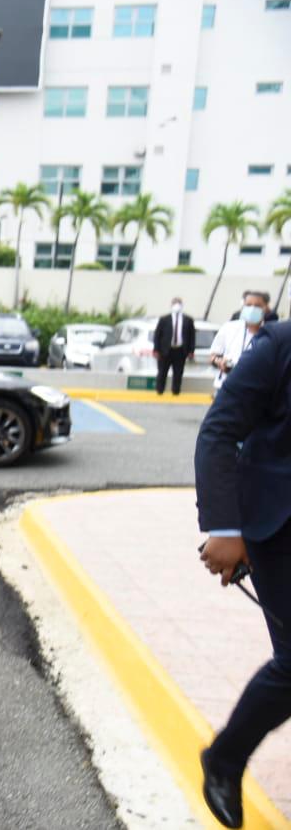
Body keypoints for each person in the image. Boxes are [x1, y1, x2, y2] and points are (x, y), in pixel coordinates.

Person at [195, 319, 291, 829]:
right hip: (280, 530)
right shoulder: (280, 346)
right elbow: (220, 431)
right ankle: (225, 760)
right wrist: (225, 528)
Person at [211, 291, 271, 392]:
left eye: (257, 306)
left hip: (257, 390)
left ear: (266, 308)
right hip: (226, 385)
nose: (252, 308)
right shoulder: (228, 327)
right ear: (243, 307)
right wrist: (219, 362)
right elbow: (213, 355)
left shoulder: (271, 333)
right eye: (248, 305)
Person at [152, 297, 195, 396]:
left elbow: (191, 336)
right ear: (171, 305)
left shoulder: (188, 320)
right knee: (162, 371)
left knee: (178, 372)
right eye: (175, 303)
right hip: (165, 350)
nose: (177, 306)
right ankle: (159, 390)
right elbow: (157, 335)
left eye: (179, 303)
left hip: (180, 350)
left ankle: (176, 391)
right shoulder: (164, 319)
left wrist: (191, 351)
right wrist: (156, 349)